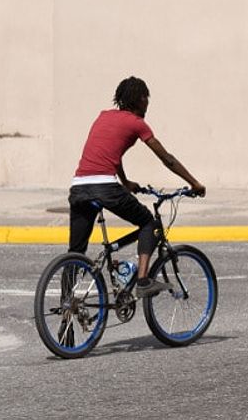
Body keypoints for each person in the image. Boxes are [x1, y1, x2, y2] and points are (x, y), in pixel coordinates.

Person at [68, 77, 205, 298]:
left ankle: (67, 309)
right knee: (148, 223)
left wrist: (125, 181)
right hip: (104, 187)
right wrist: (194, 183)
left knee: (75, 253)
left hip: (78, 187)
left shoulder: (104, 117)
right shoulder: (136, 123)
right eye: (147, 99)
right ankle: (142, 280)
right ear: (141, 99)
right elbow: (167, 159)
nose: (148, 104)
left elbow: (112, 152)